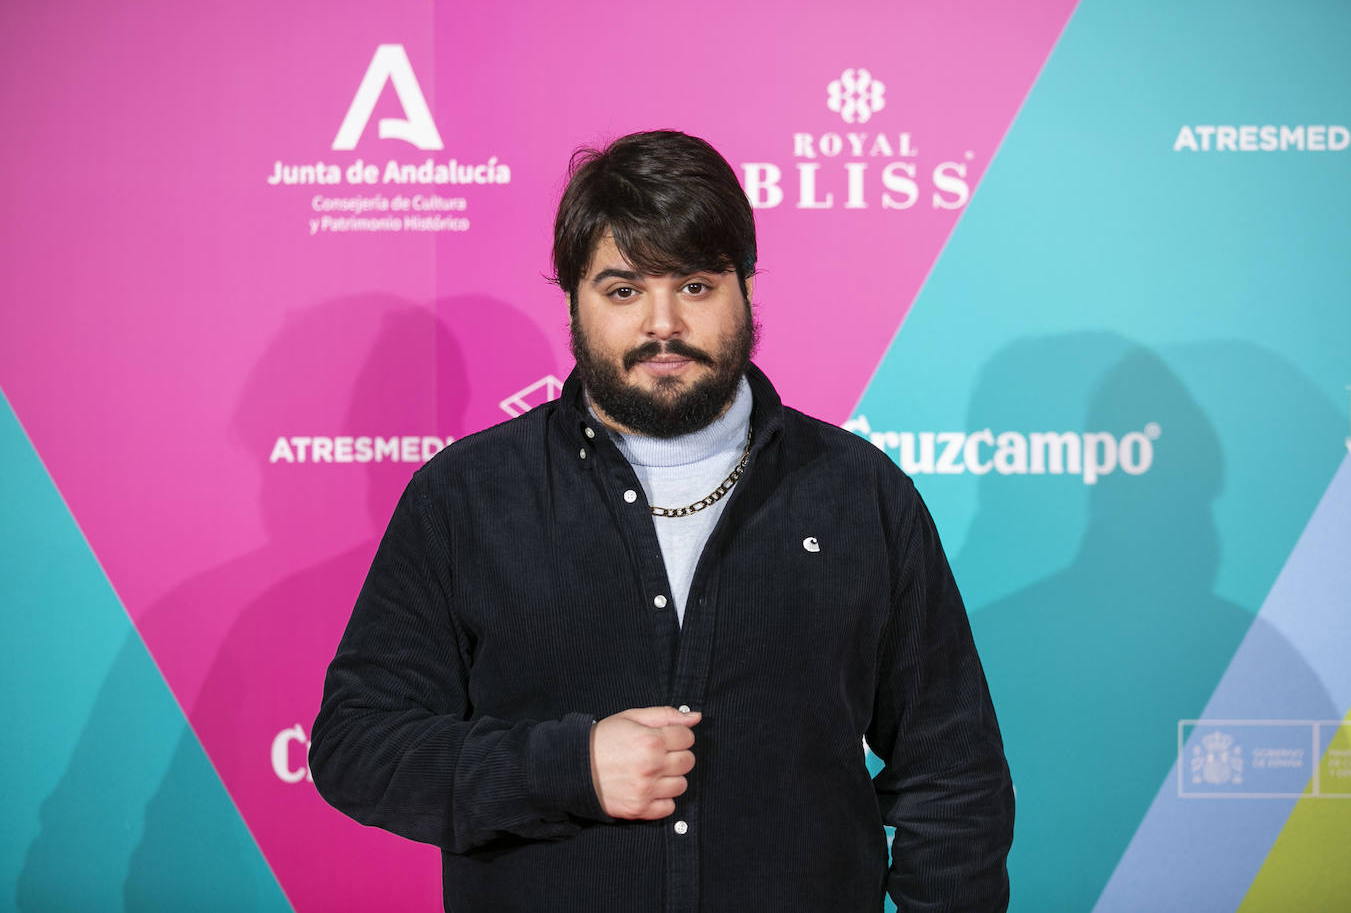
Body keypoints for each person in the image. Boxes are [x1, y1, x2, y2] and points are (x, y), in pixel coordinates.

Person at [310, 129, 1014, 911]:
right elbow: (357, 746)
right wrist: (565, 767)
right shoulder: (465, 499)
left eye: (694, 285)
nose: (662, 325)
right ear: (573, 300)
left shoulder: (860, 497)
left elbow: (955, 779)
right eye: (623, 290)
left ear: (745, 289)